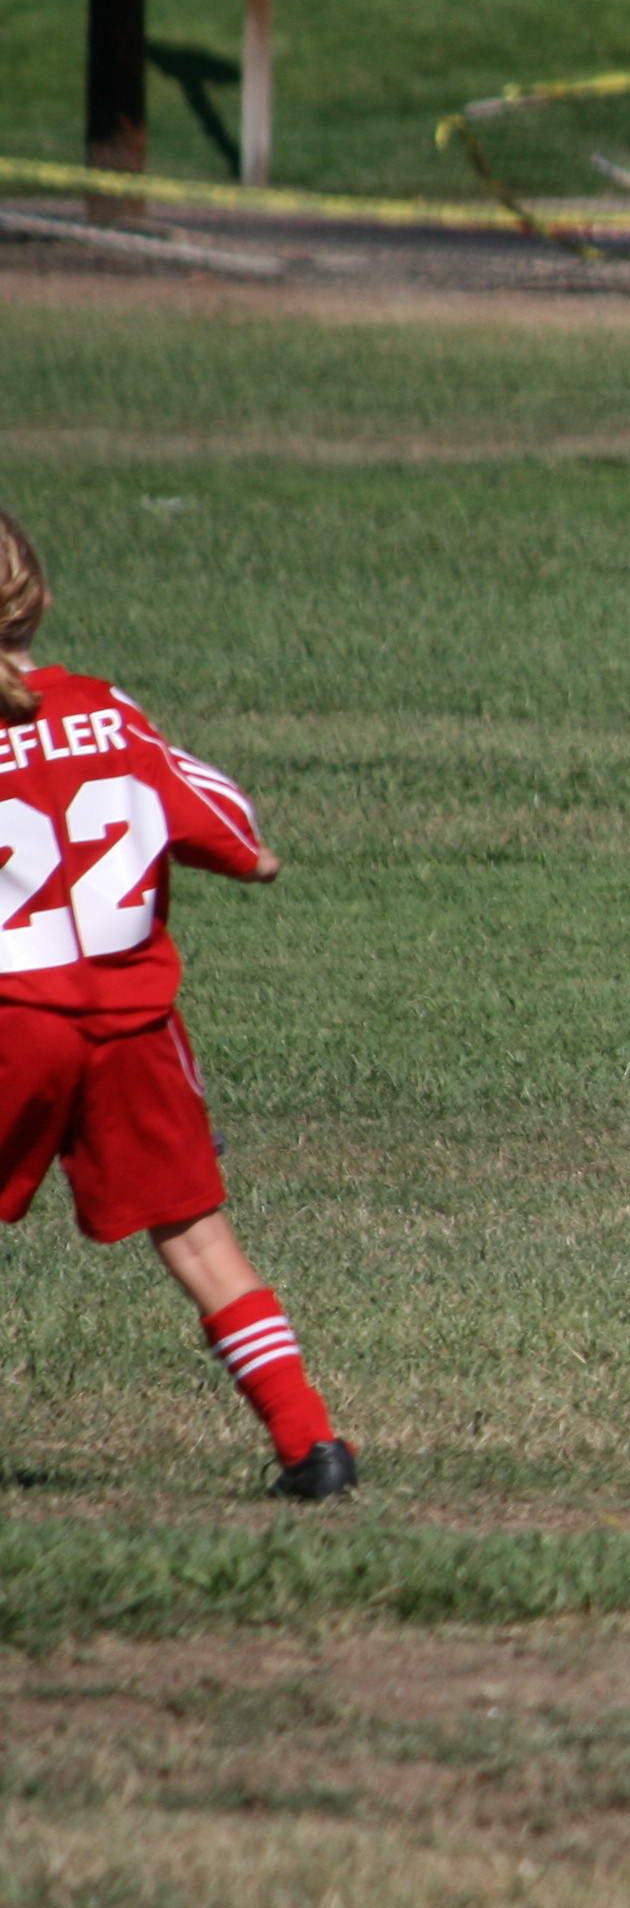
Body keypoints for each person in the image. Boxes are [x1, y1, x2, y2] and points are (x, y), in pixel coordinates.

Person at [0, 510, 352, 1500]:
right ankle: (312, 1447)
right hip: (135, 1027)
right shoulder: (111, 713)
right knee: (198, 1240)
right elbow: (241, 839)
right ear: (41, 597)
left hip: (13, 1021)